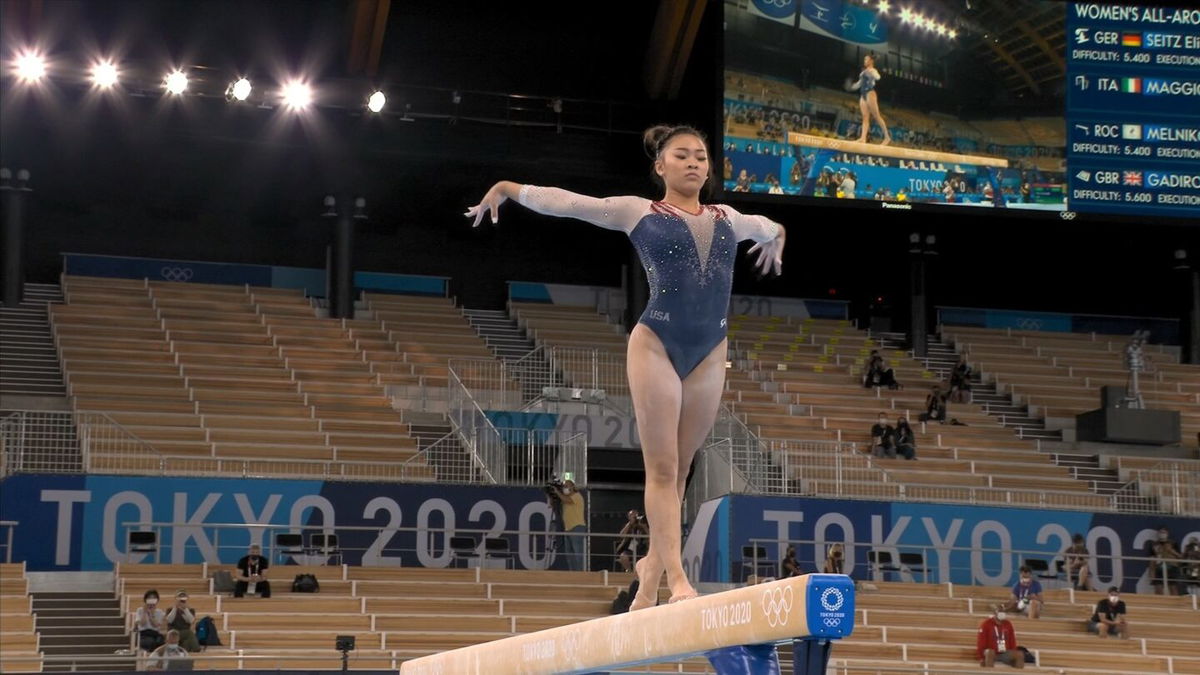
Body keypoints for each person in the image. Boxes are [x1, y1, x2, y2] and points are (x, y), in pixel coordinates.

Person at [465, 124, 786, 610]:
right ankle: (677, 578)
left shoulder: (729, 217)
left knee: (681, 474)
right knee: (661, 469)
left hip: (710, 352)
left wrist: (776, 237)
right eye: (683, 155)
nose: (695, 163)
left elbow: (769, 225)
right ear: (661, 165)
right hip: (656, 344)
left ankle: (650, 570)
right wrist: (510, 190)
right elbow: (570, 202)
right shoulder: (639, 211)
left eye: (701, 156)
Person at [848, 53, 892, 146]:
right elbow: (859, 84)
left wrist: (871, 73)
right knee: (865, 117)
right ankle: (863, 138)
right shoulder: (863, 72)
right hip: (863, 95)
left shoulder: (873, 70)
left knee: (876, 116)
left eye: (866, 59)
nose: (864, 61)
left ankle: (887, 137)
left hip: (870, 93)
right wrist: (852, 86)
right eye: (864, 59)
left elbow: (878, 77)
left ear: (871, 61)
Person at [976, 604, 1025, 669]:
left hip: (1005, 653)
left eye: (1003, 612)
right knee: (989, 652)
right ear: (995, 613)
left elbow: (1012, 640)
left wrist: (1013, 651)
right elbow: (981, 642)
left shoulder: (1008, 624)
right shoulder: (986, 624)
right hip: (992, 653)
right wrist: (981, 658)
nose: (1002, 613)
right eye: (1000, 611)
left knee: (1020, 654)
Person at [553, 479, 587, 571]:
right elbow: (556, 504)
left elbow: (566, 499)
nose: (565, 488)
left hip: (577, 527)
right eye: (564, 486)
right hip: (568, 528)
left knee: (577, 552)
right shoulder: (564, 499)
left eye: (567, 486)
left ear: (572, 487)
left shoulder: (576, 496)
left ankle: (579, 572)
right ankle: (573, 572)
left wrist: (557, 492)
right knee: (569, 554)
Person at [1145, 525, 1181, 595]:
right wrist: (1151, 571)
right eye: (1160, 532)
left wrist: (1171, 550)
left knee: (1173, 587)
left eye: (1164, 532)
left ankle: (1175, 604)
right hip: (1159, 567)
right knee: (1158, 587)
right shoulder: (1154, 544)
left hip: (1172, 566)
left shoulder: (1173, 543)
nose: (1162, 534)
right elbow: (1152, 559)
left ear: (1167, 533)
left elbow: (1180, 556)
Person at [614, 509, 649, 573]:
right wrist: (630, 524)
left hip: (642, 548)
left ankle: (643, 572)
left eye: (636, 516)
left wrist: (644, 527)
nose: (635, 518)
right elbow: (621, 535)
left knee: (648, 556)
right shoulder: (628, 526)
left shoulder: (643, 524)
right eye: (632, 516)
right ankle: (629, 571)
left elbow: (650, 535)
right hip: (630, 549)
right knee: (623, 556)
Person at [133, 589, 167, 654]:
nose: (151, 600)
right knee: (148, 641)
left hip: (154, 633)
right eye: (149, 598)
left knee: (160, 642)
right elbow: (142, 623)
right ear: (145, 600)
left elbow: (156, 625)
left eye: (154, 598)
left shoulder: (160, 612)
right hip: (143, 633)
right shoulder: (140, 610)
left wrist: (151, 614)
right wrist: (145, 612)